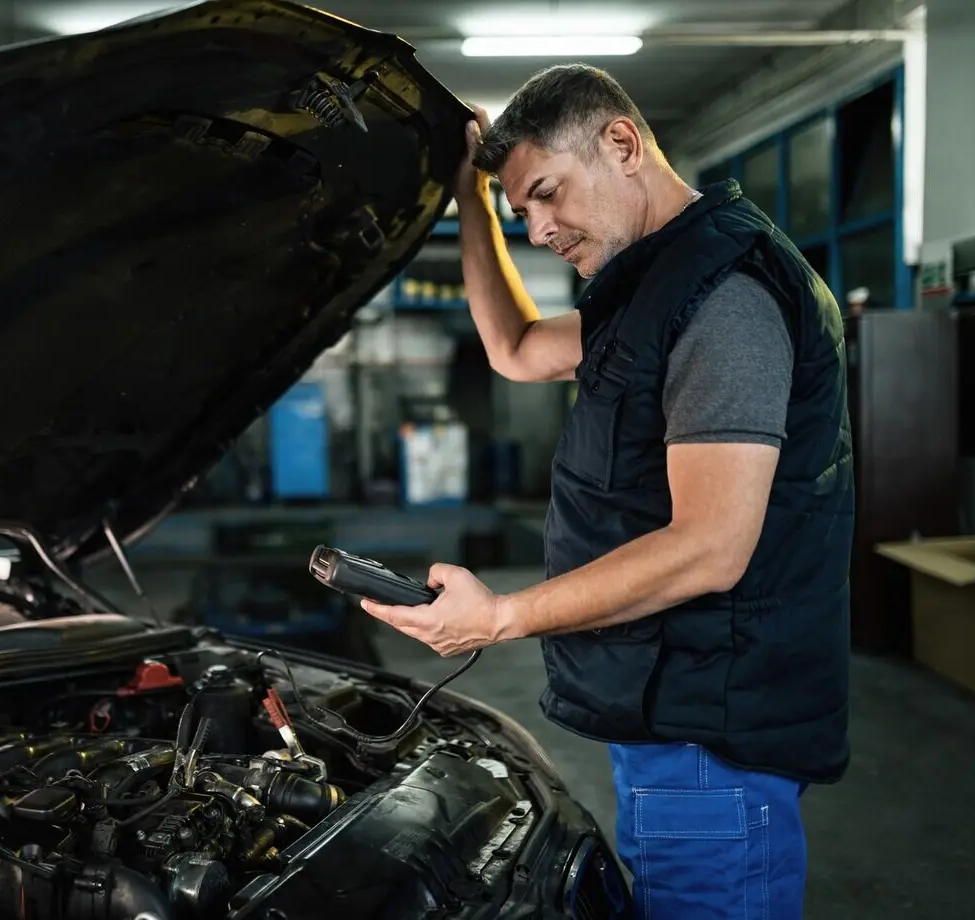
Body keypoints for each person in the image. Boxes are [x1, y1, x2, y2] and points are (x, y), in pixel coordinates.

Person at [361, 64, 854, 919]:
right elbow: (514, 346)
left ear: (622, 143)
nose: (542, 229)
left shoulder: (724, 298)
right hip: (666, 707)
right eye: (525, 212)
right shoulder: (652, 290)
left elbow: (712, 545)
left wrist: (504, 615)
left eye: (548, 194)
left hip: (712, 733)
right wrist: (471, 203)